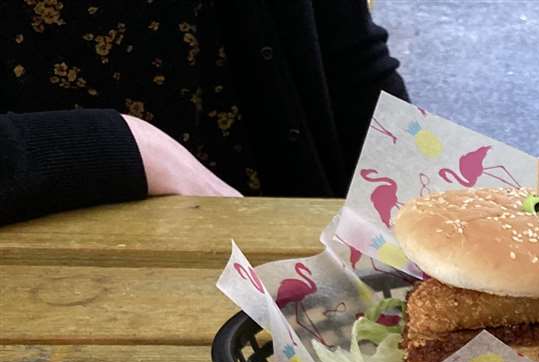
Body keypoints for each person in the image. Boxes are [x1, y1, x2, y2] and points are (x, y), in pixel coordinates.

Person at [0, 0, 408, 224]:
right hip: (53, 277)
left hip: (293, 253)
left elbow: (347, 55)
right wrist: (120, 146)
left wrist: (415, 188)